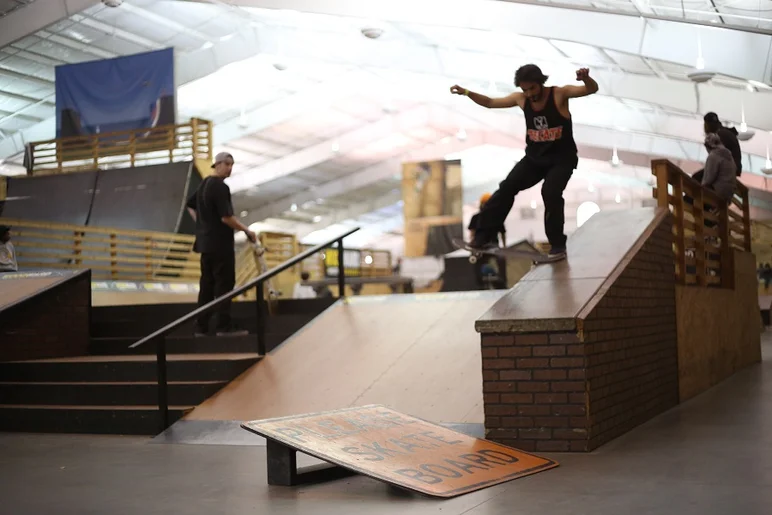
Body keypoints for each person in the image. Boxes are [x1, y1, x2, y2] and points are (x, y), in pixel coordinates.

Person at [451, 64, 598, 259]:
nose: (529, 94)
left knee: (551, 192)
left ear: (540, 83)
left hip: (562, 159)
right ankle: (483, 237)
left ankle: (557, 245)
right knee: (507, 187)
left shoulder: (559, 94)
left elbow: (591, 89)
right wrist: (467, 92)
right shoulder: (520, 99)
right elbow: (489, 102)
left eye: (532, 89)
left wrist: (586, 78)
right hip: (534, 159)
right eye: (524, 90)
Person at [186, 152, 257, 337]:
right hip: (220, 244)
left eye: (232, 164)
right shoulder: (220, 187)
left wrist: (202, 224)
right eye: (226, 164)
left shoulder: (203, 184)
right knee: (224, 284)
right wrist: (246, 230)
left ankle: (201, 327)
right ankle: (223, 327)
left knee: (207, 286)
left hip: (205, 244)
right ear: (217, 164)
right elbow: (226, 218)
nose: (230, 168)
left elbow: (190, 204)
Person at [702, 112, 742, 177]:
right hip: (734, 167)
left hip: (727, 168)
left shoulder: (719, 136)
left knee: (697, 177)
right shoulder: (725, 132)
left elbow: (717, 157)